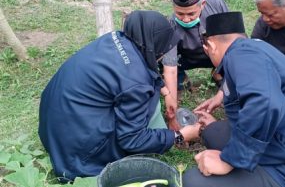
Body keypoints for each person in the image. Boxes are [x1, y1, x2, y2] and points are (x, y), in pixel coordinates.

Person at [38, 10, 200, 182]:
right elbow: (132, 139)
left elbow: (140, 74)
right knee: (147, 109)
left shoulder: (117, 38)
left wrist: (166, 92)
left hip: (54, 131)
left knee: (150, 97)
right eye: (163, 49)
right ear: (154, 45)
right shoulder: (135, 79)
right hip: (78, 157)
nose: (162, 55)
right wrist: (179, 136)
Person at [184, 12, 285, 187]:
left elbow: (264, 102)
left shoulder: (240, 54)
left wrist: (229, 160)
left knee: (193, 181)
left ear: (211, 46)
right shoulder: (252, 48)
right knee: (213, 132)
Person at [161, 0, 229, 130]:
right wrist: (172, 109)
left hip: (214, 55)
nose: (185, 19)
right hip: (186, 59)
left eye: (191, 14)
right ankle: (183, 81)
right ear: (173, 7)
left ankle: (218, 74)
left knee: (231, 65)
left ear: (203, 4)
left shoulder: (216, 5)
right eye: (180, 14)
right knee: (160, 60)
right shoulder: (170, 26)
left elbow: (231, 40)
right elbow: (170, 68)